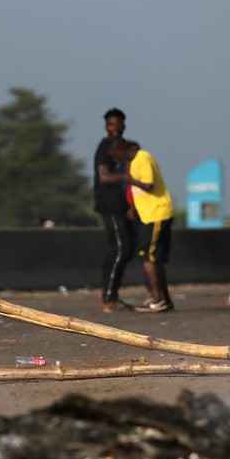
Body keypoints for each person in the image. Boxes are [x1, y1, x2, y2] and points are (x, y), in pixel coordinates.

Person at [120, 139, 174, 313]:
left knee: (146, 256)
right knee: (152, 257)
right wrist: (132, 207)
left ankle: (158, 299)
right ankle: (163, 299)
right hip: (148, 215)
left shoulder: (142, 157)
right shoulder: (133, 162)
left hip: (155, 214)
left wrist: (128, 178)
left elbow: (148, 185)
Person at [93, 108, 138, 312]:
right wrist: (127, 178)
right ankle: (108, 297)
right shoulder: (104, 148)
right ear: (106, 127)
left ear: (124, 125)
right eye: (111, 124)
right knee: (121, 248)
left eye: (118, 124)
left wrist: (131, 204)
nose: (115, 128)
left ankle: (110, 293)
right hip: (109, 205)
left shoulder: (127, 147)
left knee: (119, 250)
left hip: (123, 206)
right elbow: (104, 177)